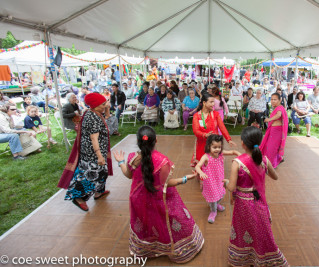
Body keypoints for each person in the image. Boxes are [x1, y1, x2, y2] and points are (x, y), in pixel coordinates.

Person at [112, 126, 204, 263]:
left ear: (138, 142)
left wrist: (120, 162)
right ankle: (177, 249)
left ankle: (147, 249)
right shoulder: (162, 161)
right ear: (156, 140)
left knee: (146, 222)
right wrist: (185, 179)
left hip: (139, 199)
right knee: (171, 220)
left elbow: (128, 175)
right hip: (161, 199)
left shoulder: (133, 158)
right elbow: (167, 184)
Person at [226, 126, 288, 266]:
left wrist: (225, 183)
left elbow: (231, 187)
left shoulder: (238, 162)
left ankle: (244, 257)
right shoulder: (264, 159)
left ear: (242, 143)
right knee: (260, 228)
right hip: (259, 201)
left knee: (244, 229)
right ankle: (262, 256)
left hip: (243, 204)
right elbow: (275, 177)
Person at [58, 93, 113, 211]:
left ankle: (99, 192)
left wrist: (106, 107)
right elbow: (94, 138)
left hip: (98, 149)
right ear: (95, 105)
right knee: (91, 173)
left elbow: (107, 117)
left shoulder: (95, 112)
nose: (105, 105)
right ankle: (78, 197)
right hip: (92, 152)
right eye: (103, 104)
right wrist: (99, 156)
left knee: (102, 171)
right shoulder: (92, 117)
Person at [195, 134, 240, 223]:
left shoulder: (220, 154)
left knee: (220, 194)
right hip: (210, 183)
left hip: (219, 180)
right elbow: (197, 166)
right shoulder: (206, 157)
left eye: (219, 147)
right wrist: (201, 172)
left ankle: (217, 204)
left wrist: (239, 155)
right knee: (212, 198)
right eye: (214, 147)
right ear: (209, 146)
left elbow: (232, 152)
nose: (217, 149)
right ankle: (213, 210)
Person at [192, 93, 236, 166]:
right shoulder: (197, 116)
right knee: (202, 165)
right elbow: (196, 130)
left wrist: (228, 139)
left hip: (214, 144)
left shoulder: (215, 114)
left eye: (214, 102)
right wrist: (204, 135)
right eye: (211, 102)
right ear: (204, 103)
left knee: (213, 165)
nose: (213, 104)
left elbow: (222, 127)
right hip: (202, 143)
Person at [260, 93, 288, 168]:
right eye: (272, 99)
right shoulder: (277, 107)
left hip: (277, 132)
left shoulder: (279, 108)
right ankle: (278, 159)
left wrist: (269, 119)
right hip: (273, 131)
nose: (273, 101)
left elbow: (278, 115)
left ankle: (271, 165)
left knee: (271, 148)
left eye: (275, 99)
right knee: (268, 147)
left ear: (280, 100)